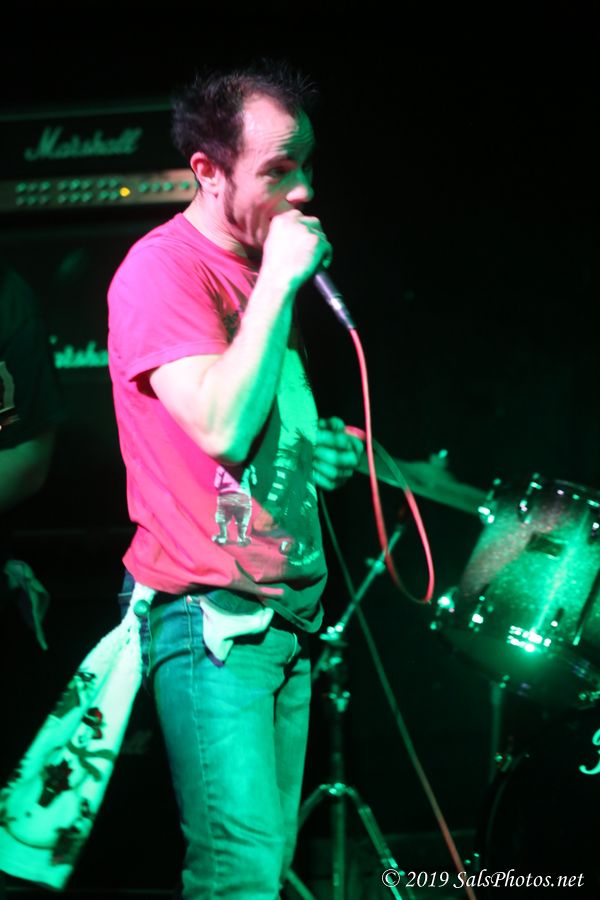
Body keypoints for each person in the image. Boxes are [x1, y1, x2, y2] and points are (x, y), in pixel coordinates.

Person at [107, 61, 364, 899]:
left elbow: (255, 435)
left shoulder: (259, 274)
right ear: (208, 172)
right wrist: (283, 283)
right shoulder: (163, 271)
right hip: (212, 617)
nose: (303, 191)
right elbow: (219, 422)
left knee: (265, 866)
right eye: (278, 168)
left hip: (286, 615)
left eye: (307, 165)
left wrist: (316, 453)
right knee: (238, 873)